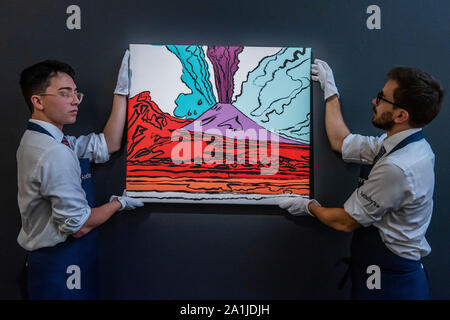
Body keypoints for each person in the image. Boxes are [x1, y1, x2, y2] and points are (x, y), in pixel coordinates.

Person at [279, 59, 444, 300]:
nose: (374, 101)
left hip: (391, 283)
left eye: (382, 98)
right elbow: (341, 143)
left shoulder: (397, 167)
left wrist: (308, 206)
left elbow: (345, 222)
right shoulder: (398, 145)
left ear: (400, 114)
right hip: (379, 271)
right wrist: (330, 93)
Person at [17, 50, 144, 300]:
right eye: (65, 94)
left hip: (49, 264)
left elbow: (108, 144)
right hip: (59, 268)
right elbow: (79, 226)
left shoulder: (42, 139)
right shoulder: (53, 151)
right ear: (38, 101)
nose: (76, 100)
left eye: (76, 93)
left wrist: (121, 93)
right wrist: (119, 203)